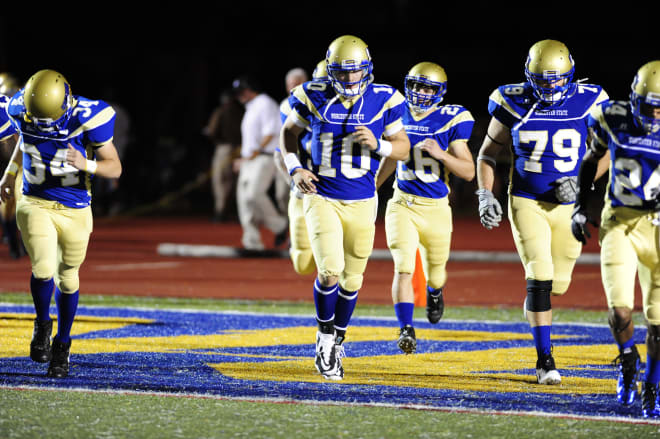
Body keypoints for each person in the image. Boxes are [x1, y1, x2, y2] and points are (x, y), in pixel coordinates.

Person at [475, 40, 608, 385]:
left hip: (568, 206)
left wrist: (582, 184)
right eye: (541, 79)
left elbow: (607, 151)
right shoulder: (512, 101)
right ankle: (544, 359)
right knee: (540, 276)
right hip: (526, 200)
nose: (549, 86)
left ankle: (539, 314)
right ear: (528, 75)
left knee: (558, 284)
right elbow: (487, 154)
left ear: (570, 74)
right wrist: (484, 194)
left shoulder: (590, 100)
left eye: (555, 79)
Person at [280, 35, 410, 380]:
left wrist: (379, 144)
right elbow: (288, 133)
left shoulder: (385, 98)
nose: (350, 79)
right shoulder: (312, 93)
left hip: (363, 200)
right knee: (330, 271)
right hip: (322, 195)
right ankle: (324, 339)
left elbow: (403, 149)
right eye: (342, 72)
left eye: (356, 72)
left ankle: (338, 337)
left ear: (367, 69)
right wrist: (295, 168)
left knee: (353, 281)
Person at [0, 69, 122, 378]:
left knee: (67, 278)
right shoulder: (19, 108)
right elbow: (25, 139)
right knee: (42, 269)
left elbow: (115, 167)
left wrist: (87, 163)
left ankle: (62, 343)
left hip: (75, 208)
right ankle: (42, 323)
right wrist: (11, 172)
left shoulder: (88, 115)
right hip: (35, 201)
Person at [572, 60, 660, 418]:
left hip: (656, 227)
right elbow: (590, 160)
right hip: (620, 221)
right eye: (650, 105)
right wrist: (580, 205)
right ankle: (627, 359)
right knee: (619, 312)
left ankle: (653, 385)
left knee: (657, 322)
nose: (655, 114)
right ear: (634, 98)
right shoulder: (610, 115)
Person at [375, 62, 475, 354]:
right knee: (404, 267)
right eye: (416, 86)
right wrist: (373, 187)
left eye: (427, 87)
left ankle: (435, 292)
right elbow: (393, 157)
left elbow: (468, 172)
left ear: (439, 91)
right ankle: (406, 327)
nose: (420, 92)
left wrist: (440, 153)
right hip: (402, 203)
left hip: (436, 208)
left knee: (436, 271)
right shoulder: (397, 113)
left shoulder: (450, 119)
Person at [274, 61, 327, 275]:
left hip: (339, 186)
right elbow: (284, 146)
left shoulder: (359, 106)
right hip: (306, 179)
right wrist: (293, 176)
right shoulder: (295, 104)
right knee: (302, 261)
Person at [232, 75, 288, 251]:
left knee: (253, 195)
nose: (240, 95)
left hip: (264, 156)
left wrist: (255, 151)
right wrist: (243, 157)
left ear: (250, 89)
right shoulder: (250, 107)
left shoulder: (265, 103)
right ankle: (252, 242)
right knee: (244, 200)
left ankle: (280, 225)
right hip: (249, 159)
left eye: (242, 91)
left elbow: (271, 131)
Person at [203, 88, 243, 222]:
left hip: (224, 148)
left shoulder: (220, 111)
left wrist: (209, 133)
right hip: (240, 149)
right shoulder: (241, 112)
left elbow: (213, 130)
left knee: (220, 180)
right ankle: (237, 210)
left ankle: (221, 211)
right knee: (235, 181)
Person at [274, 68, 310, 214]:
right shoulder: (286, 105)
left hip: (314, 155)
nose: (293, 88)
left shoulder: (316, 99)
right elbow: (285, 135)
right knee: (285, 194)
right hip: (293, 153)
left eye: (297, 83)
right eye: (290, 84)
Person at [0, 72, 24, 258]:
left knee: (22, 204)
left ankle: (21, 243)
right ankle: (13, 243)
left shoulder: (15, 109)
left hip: (20, 165)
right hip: (8, 165)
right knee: (7, 207)